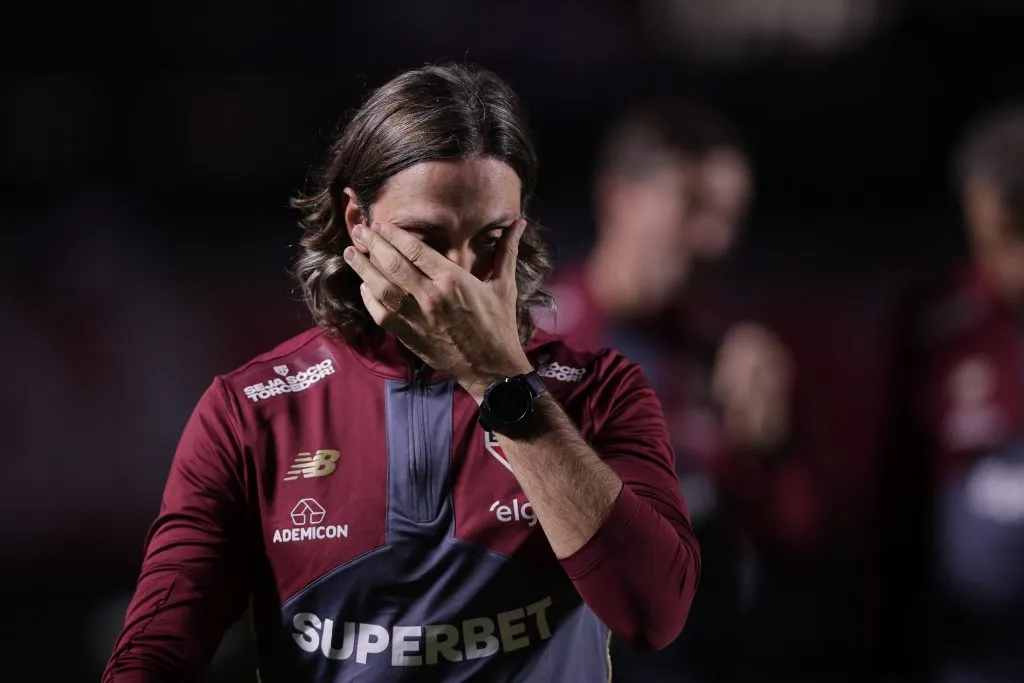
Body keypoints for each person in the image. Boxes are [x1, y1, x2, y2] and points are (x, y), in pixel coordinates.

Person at [101, 62, 701, 683]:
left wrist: (499, 381)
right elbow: (153, 657)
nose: (459, 275)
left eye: (492, 238)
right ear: (357, 222)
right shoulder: (251, 412)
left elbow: (652, 616)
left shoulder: (601, 392)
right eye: (426, 239)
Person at [879, 104, 1024, 683]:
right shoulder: (936, 319)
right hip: (963, 655)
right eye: (990, 239)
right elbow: (897, 501)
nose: (1003, 264)